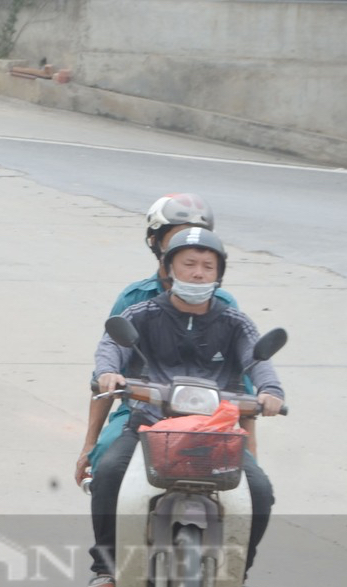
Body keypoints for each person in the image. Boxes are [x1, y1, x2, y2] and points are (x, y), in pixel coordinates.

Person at [83, 228, 283, 587]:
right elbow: (111, 346)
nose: (198, 273)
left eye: (208, 266)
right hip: (149, 425)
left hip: (216, 432)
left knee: (260, 492)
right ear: (168, 267)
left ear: (218, 275)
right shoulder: (141, 314)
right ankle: (105, 570)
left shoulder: (235, 323)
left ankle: (237, 580)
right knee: (108, 473)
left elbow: (258, 362)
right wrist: (110, 373)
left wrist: (270, 393)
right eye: (188, 264)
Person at [75, 194, 237, 486]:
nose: (188, 244)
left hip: (208, 414)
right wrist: (90, 444)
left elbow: (245, 376)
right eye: (179, 238)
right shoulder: (134, 300)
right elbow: (104, 373)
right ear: (157, 243)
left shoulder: (225, 307)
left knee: (254, 489)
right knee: (108, 467)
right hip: (139, 411)